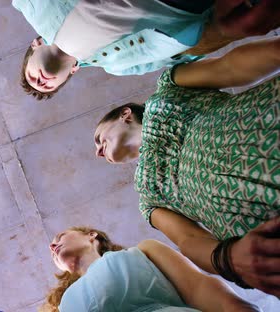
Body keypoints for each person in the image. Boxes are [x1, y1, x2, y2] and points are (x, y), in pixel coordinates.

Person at [93, 37, 280, 295]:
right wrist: (228, 259)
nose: (98, 152)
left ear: (125, 114)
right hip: (267, 224)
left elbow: (228, 67)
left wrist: (275, 51)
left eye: (98, 138)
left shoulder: (167, 89)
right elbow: (188, 239)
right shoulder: (148, 198)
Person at [13, 0, 245, 100]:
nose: (41, 82)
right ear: (72, 72)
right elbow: (179, 56)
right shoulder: (117, 66)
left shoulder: (33, 8)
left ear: (36, 45)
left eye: (32, 77)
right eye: (47, 85)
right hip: (177, 6)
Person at [42, 226, 260, 311]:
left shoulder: (142, 250)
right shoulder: (65, 304)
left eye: (60, 237)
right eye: (52, 248)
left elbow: (199, 288)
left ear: (92, 235)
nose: (53, 246)